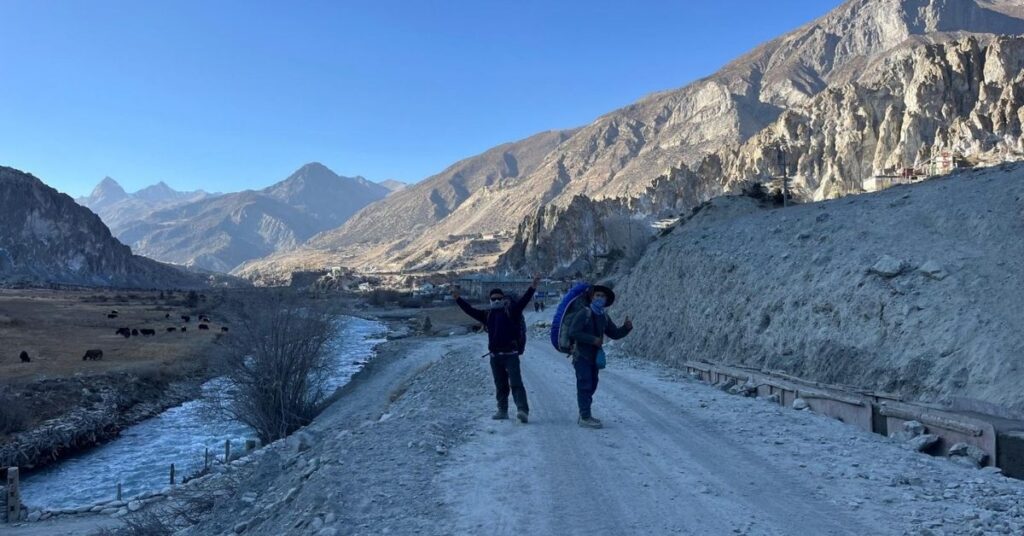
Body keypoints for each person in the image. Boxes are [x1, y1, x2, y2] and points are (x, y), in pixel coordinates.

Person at [452, 275, 540, 423]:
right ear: (490, 300)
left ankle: (522, 410)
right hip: (495, 356)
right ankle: (502, 410)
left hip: (511, 354)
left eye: (499, 298)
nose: (497, 301)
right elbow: (469, 310)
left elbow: (524, 300)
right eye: (494, 299)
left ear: (504, 298)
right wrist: (458, 299)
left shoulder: (512, 311)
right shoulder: (487, 315)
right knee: (500, 385)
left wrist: (533, 287)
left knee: (516, 383)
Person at [568, 284, 633, 429]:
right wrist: (592, 339)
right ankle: (585, 416)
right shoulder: (584, 313)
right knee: (585, 384)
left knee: (593, 384)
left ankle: (585, 414)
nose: (600, 298)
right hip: (581, 356)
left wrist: (626, 328)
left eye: (603, 296)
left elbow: (614, 333)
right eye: (597, 295)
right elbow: (573, 332)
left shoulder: (603, 316)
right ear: (592, 297)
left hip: (594, 357)